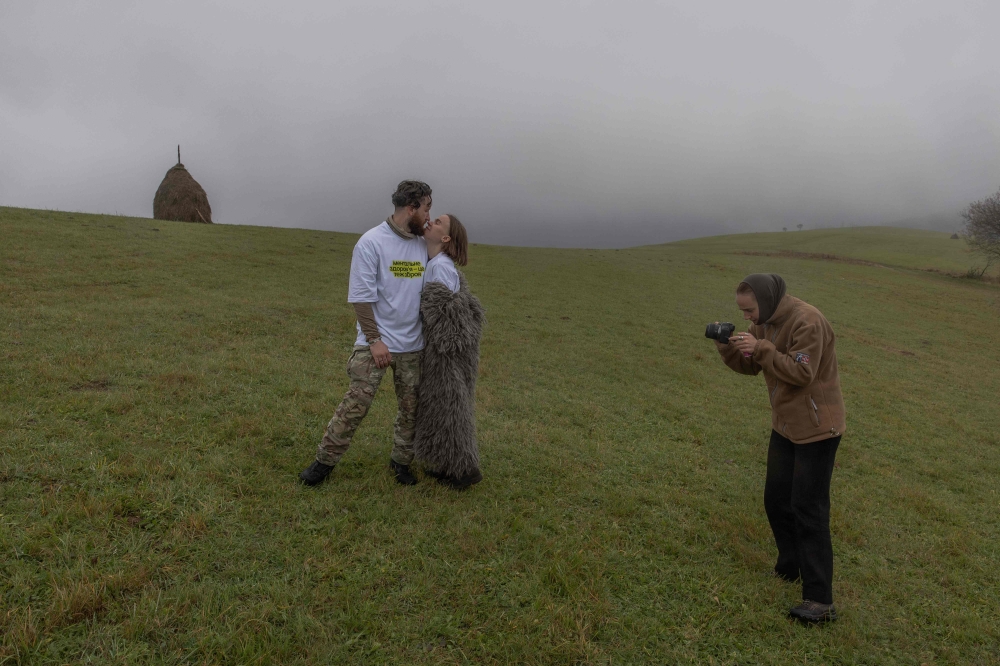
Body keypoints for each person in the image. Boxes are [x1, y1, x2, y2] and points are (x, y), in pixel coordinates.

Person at [712, 273, 846, 623]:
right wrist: (727, 344)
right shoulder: (766, 322)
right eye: (742, 312)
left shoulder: (808, 321)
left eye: (749, 310)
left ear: (768, 301)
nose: (747, 318)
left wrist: (762, 348)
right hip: (786, 425)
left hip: (818, 429)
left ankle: (820, 601)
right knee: (776, 499)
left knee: (808, 508)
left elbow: (801, 373)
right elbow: (752, 367)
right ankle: (791, 565)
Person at [299, 180, 432, 487]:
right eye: (426, 209)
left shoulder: (423, 243)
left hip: (413, 345)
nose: (428, 216)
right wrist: (375, 341)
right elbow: (361, 297)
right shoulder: (372, 242)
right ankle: (323, 463)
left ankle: (401, 462)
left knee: (412, 409)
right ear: (411, 208)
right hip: (375, 342)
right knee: (355, 405)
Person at [413, 214, 485, 489]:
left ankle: (466, 470)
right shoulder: (435, 264)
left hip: (445, 352)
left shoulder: (441, 267)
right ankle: (449, 465)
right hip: (440, 349)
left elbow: (447, 314)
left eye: (439, 222)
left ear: (445, 238)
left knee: (451, 409)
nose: (431, 221)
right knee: (441, 408)